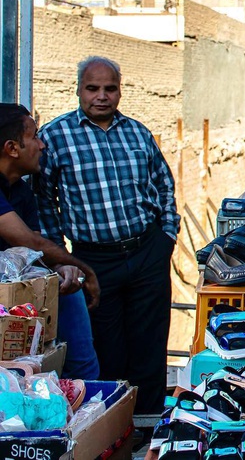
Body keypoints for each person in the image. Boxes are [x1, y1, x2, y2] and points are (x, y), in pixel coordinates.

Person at [36, 56, 180, 414]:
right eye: (93, 88)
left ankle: (149, 428)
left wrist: (166, 236)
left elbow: (164, 184)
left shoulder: (137, 132)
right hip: (93, 261)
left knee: (150, 345)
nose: (102, 96)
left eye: (110, 88)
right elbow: (44, 201)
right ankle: (116, 429)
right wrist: (62, 257)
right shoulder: (55, 136)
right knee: (107, 349)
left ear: (119, 90)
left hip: (147, 252)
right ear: (79, 89)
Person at [0, 103, 100, 379]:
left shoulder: (21, 190)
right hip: (6, 296)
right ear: (12, 148)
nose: (42, 145)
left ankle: (85, 399)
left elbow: (29, 253)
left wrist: (61, 269)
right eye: (34, 137)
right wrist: (85, 268)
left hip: (16, 289)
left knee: (70, 290)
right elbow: (22, 237)